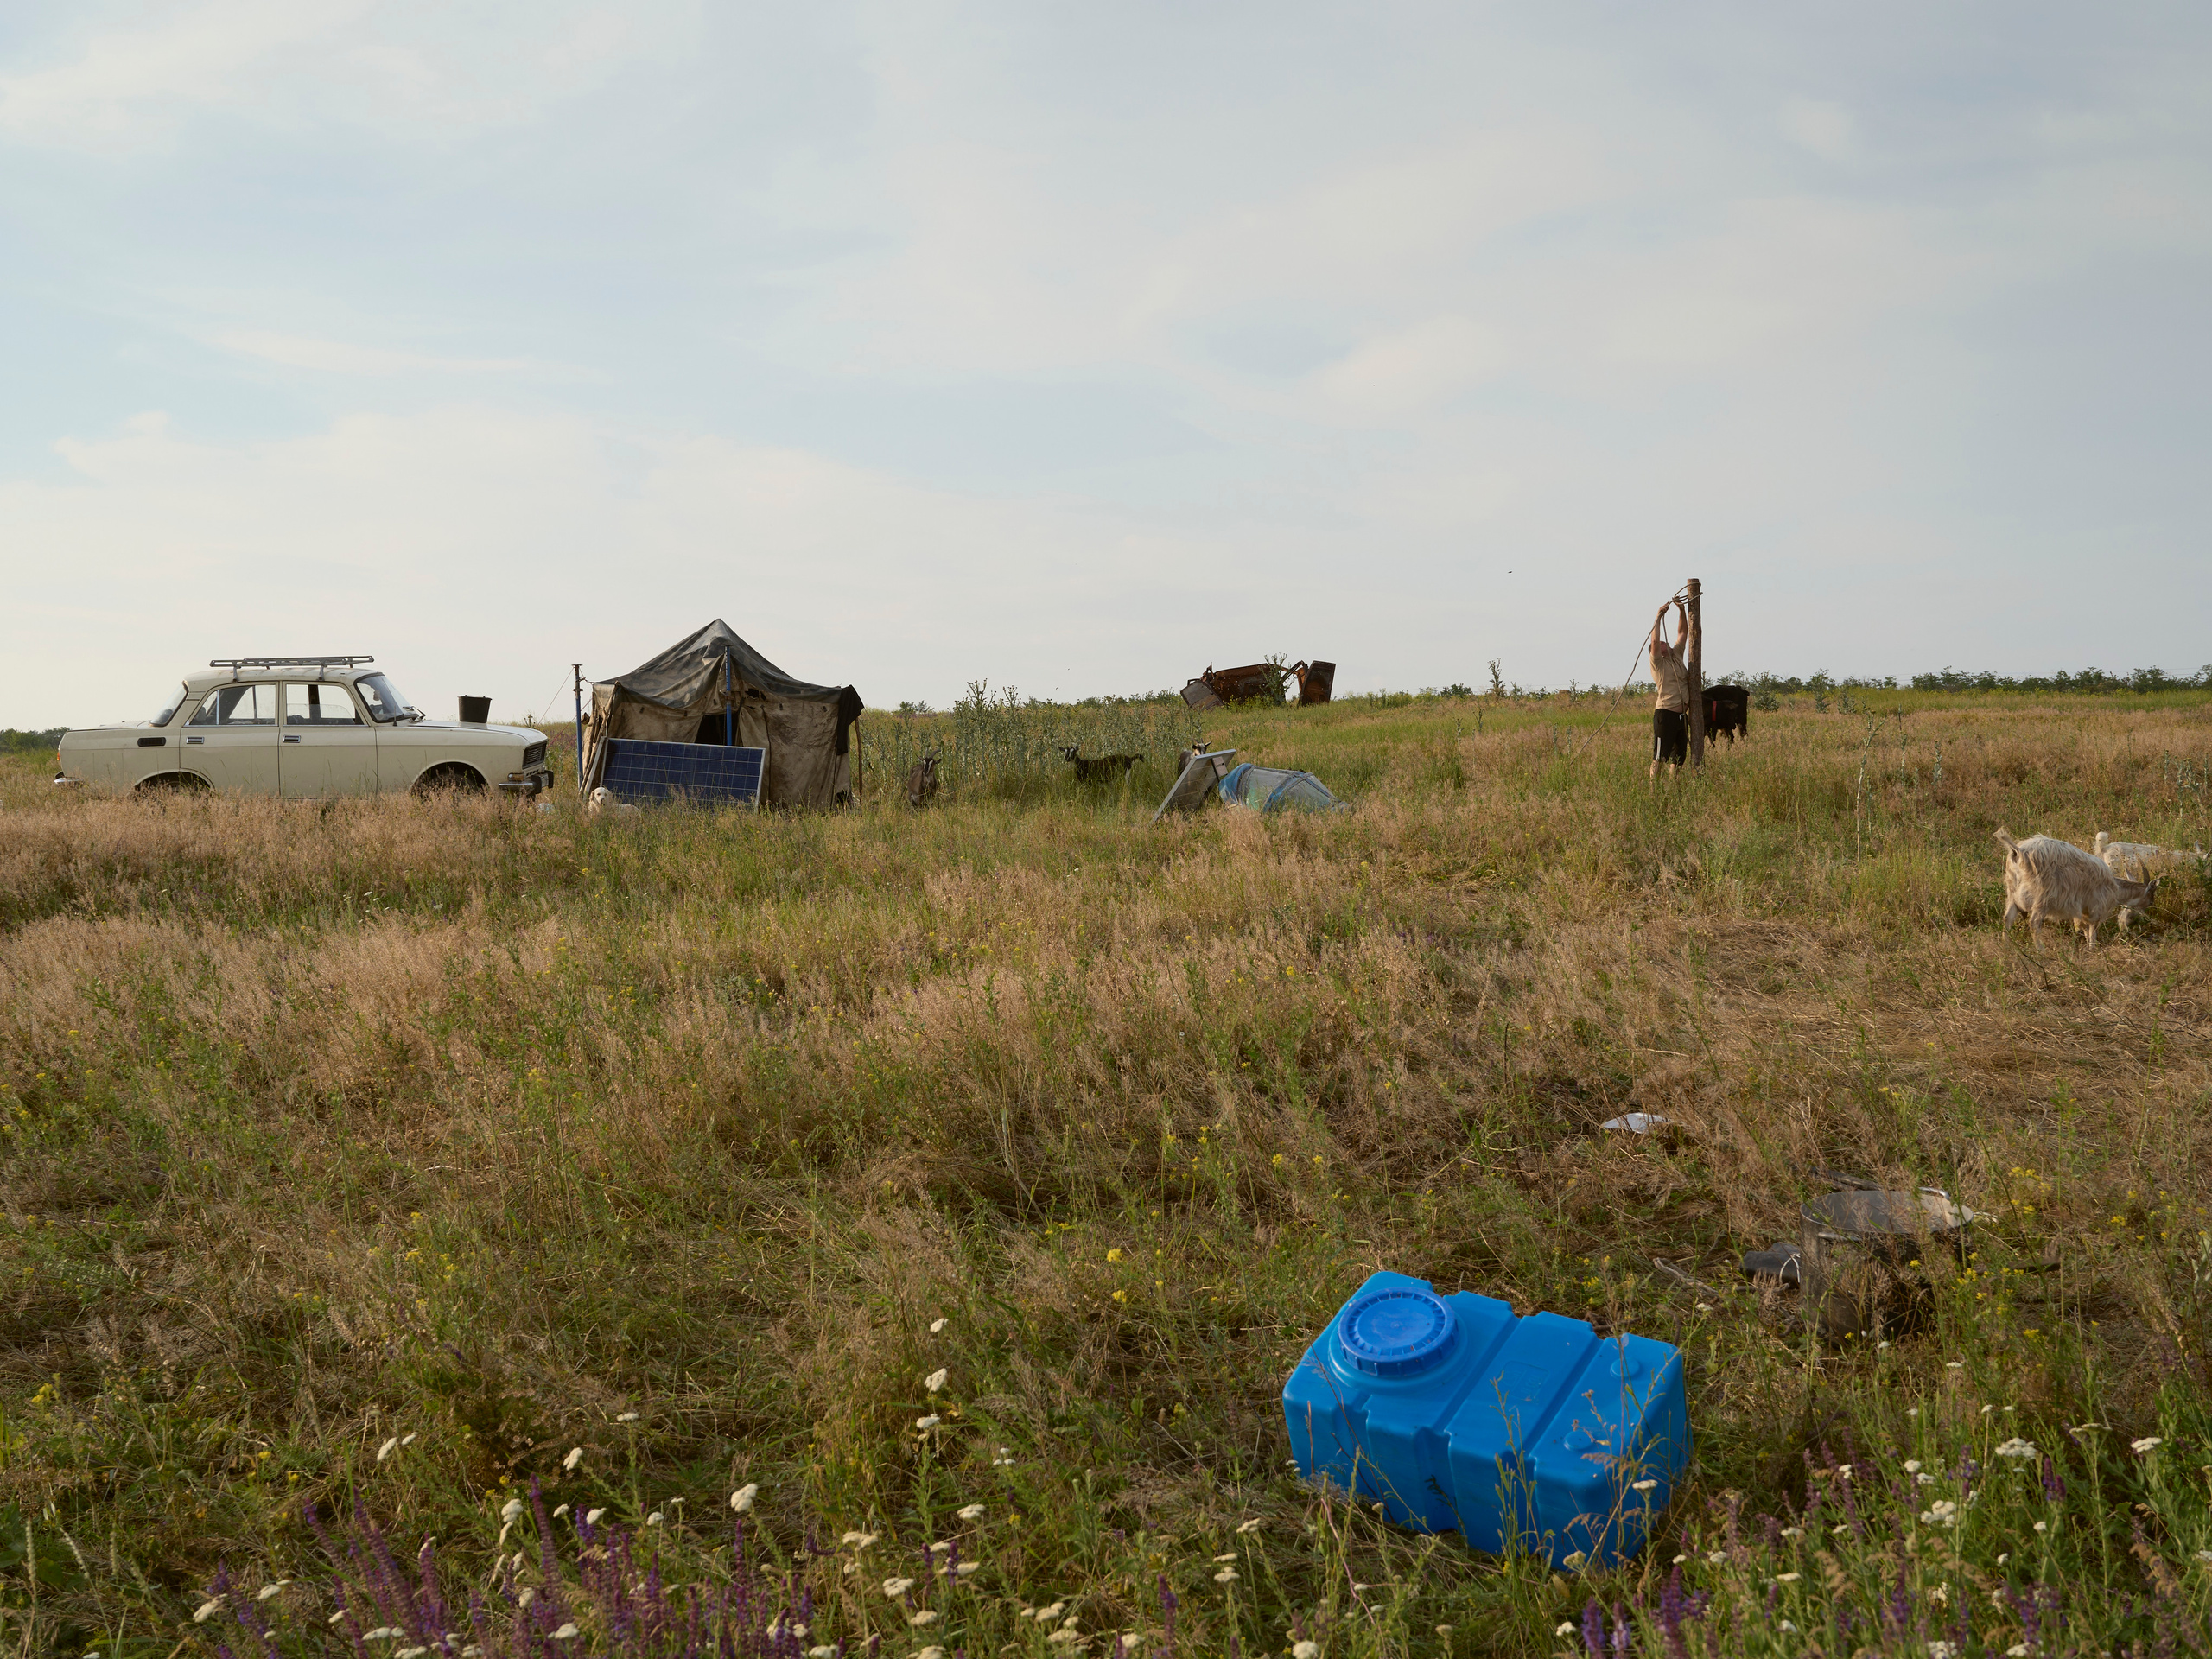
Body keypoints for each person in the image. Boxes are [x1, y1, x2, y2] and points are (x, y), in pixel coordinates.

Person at [1649, 597, 1690, 777]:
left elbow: (1682, 633)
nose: (1663, 643)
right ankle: (1653, 792)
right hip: (1665, 715)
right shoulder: (1658, 663)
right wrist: (1658, 617)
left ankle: (1676, 791)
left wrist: (1681, 611)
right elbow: (1655, 641)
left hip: (1682, 717)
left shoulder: (1676, 655)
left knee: (1678, 758)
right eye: (1658, 645)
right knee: (1659, 757)